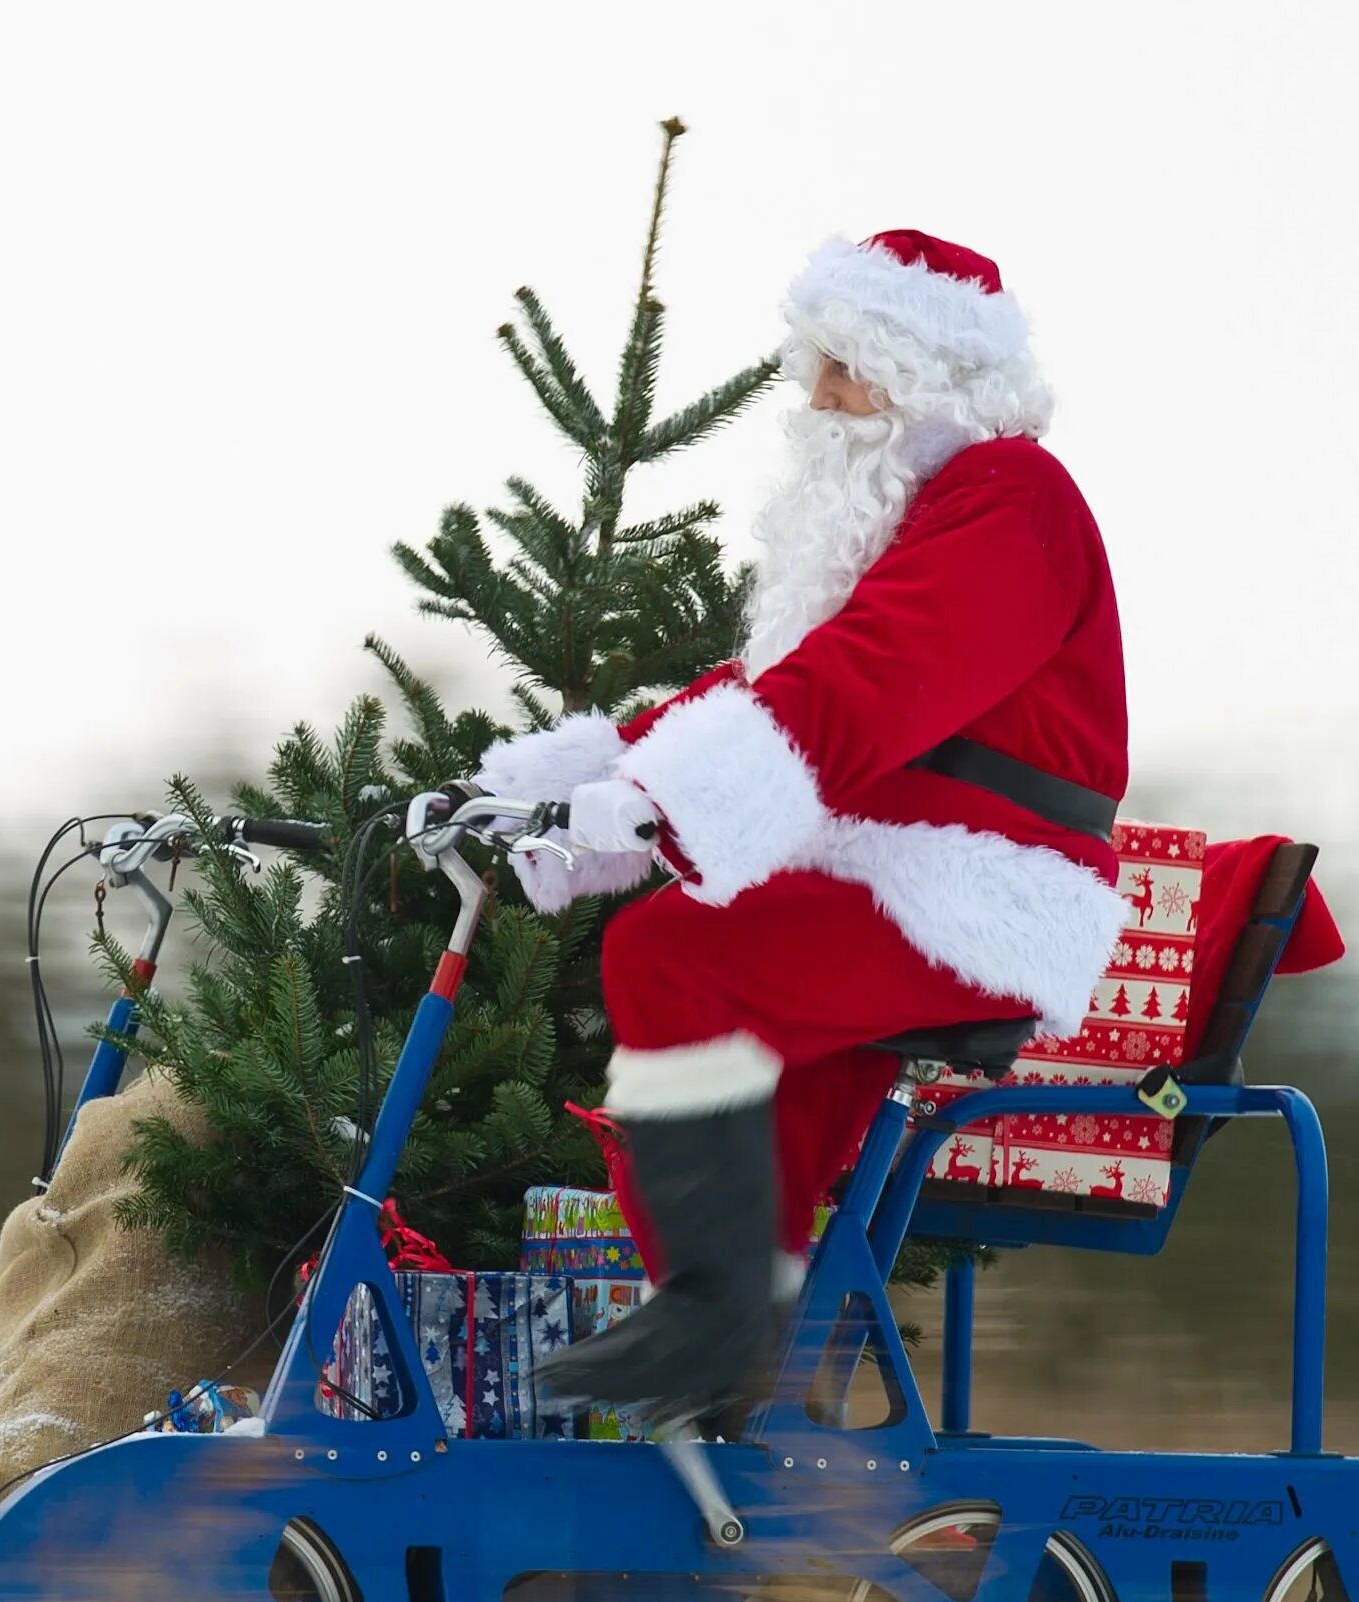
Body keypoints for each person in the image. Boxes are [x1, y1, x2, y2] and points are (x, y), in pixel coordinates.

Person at [478, 228, 1129, 1420]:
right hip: (884, 871)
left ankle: (718, 1324)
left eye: (845, 367)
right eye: (814, 363)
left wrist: (668, 799)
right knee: (733, 1081)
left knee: (670, 951)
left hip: (980, 889)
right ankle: (742, 1414)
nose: (813, 396)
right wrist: (600, 769)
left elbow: (873, 677)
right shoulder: (906, 508)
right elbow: (779, 676)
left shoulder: (1011, 497)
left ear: (927, 375)